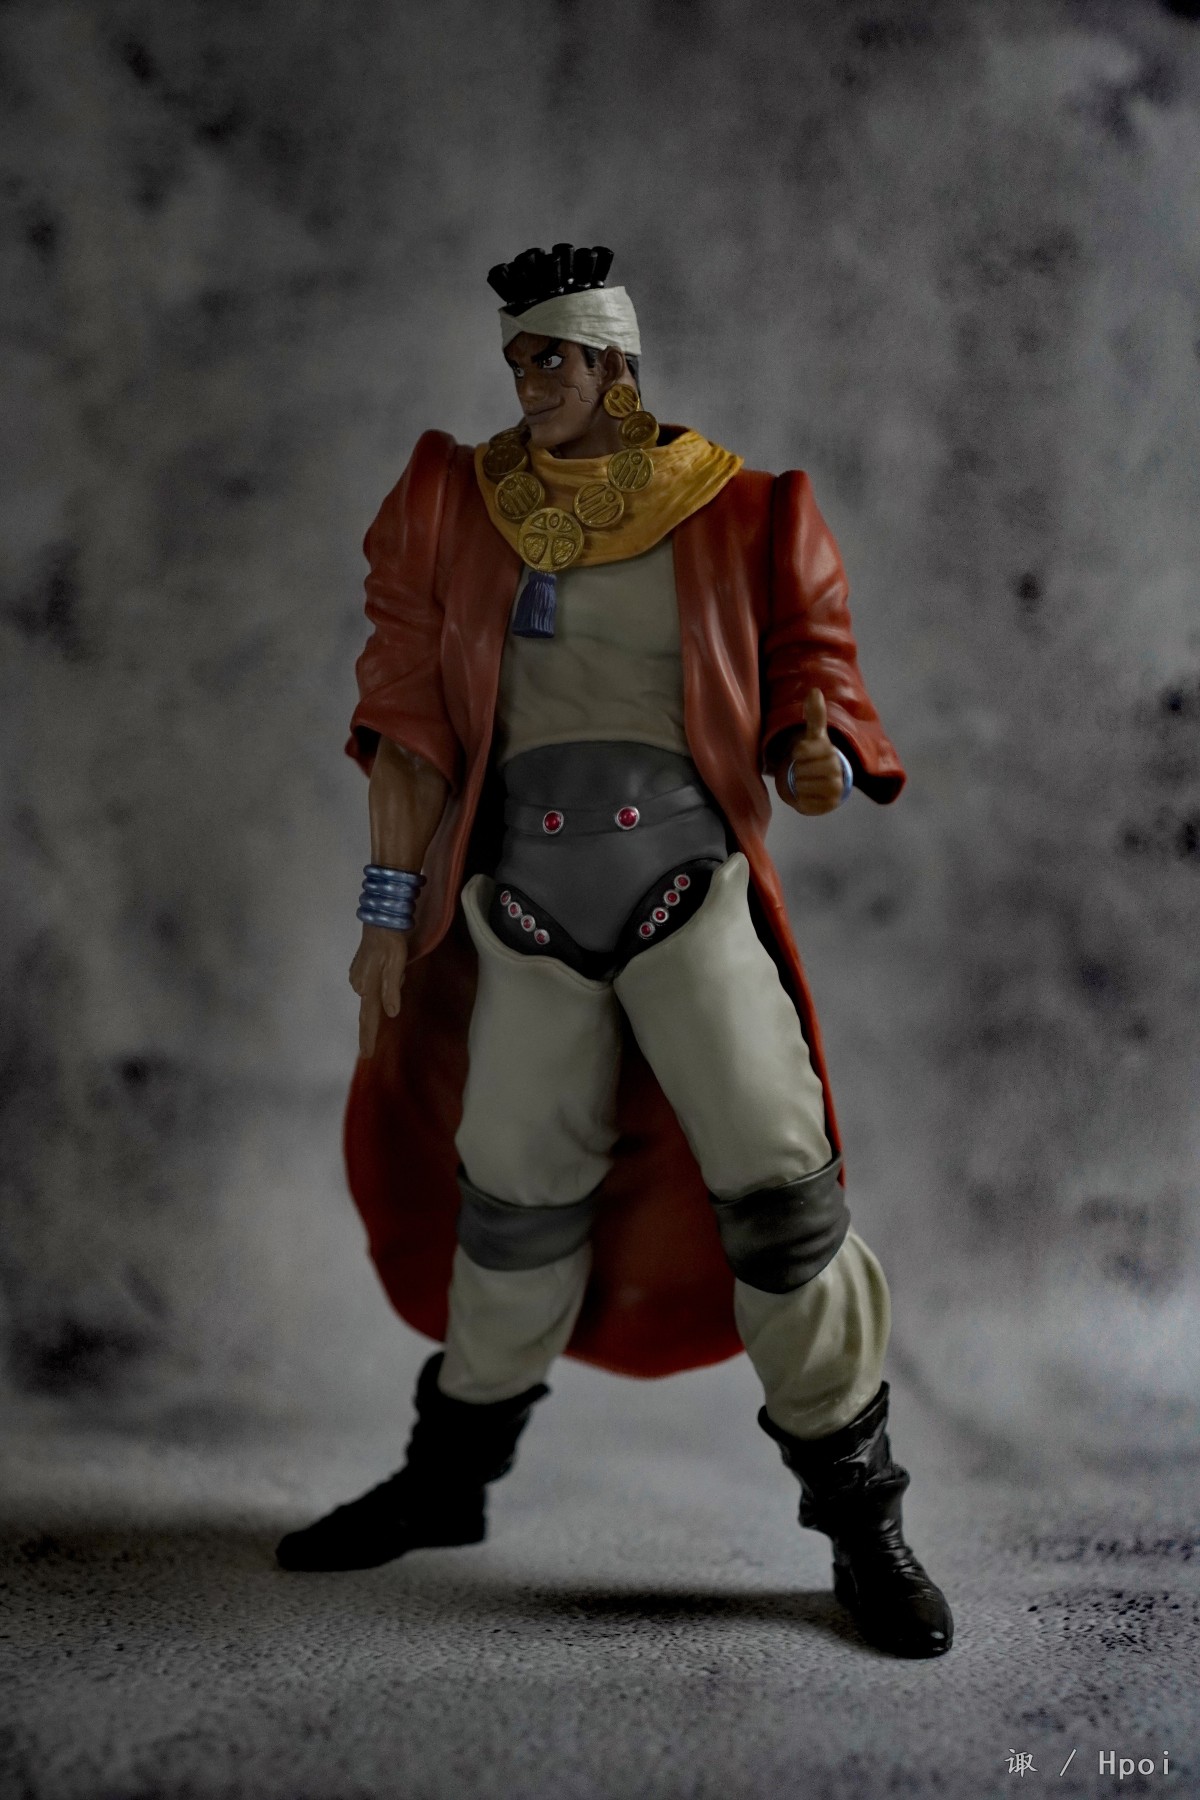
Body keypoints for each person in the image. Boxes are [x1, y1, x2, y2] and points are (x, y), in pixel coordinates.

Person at [277, 244, 953, 1659]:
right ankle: (449, 1479)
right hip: (521, 911)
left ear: (613, 364)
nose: (527, 381)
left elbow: (813, 667)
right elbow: (406, 724)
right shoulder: (449, 504)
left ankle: (861, 1515)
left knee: (783, 1196)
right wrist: (387, 917)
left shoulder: (746, 509)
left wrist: (818, 751)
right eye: (515, 358)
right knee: (511, 1207)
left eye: (551, 357)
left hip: (684, 894)